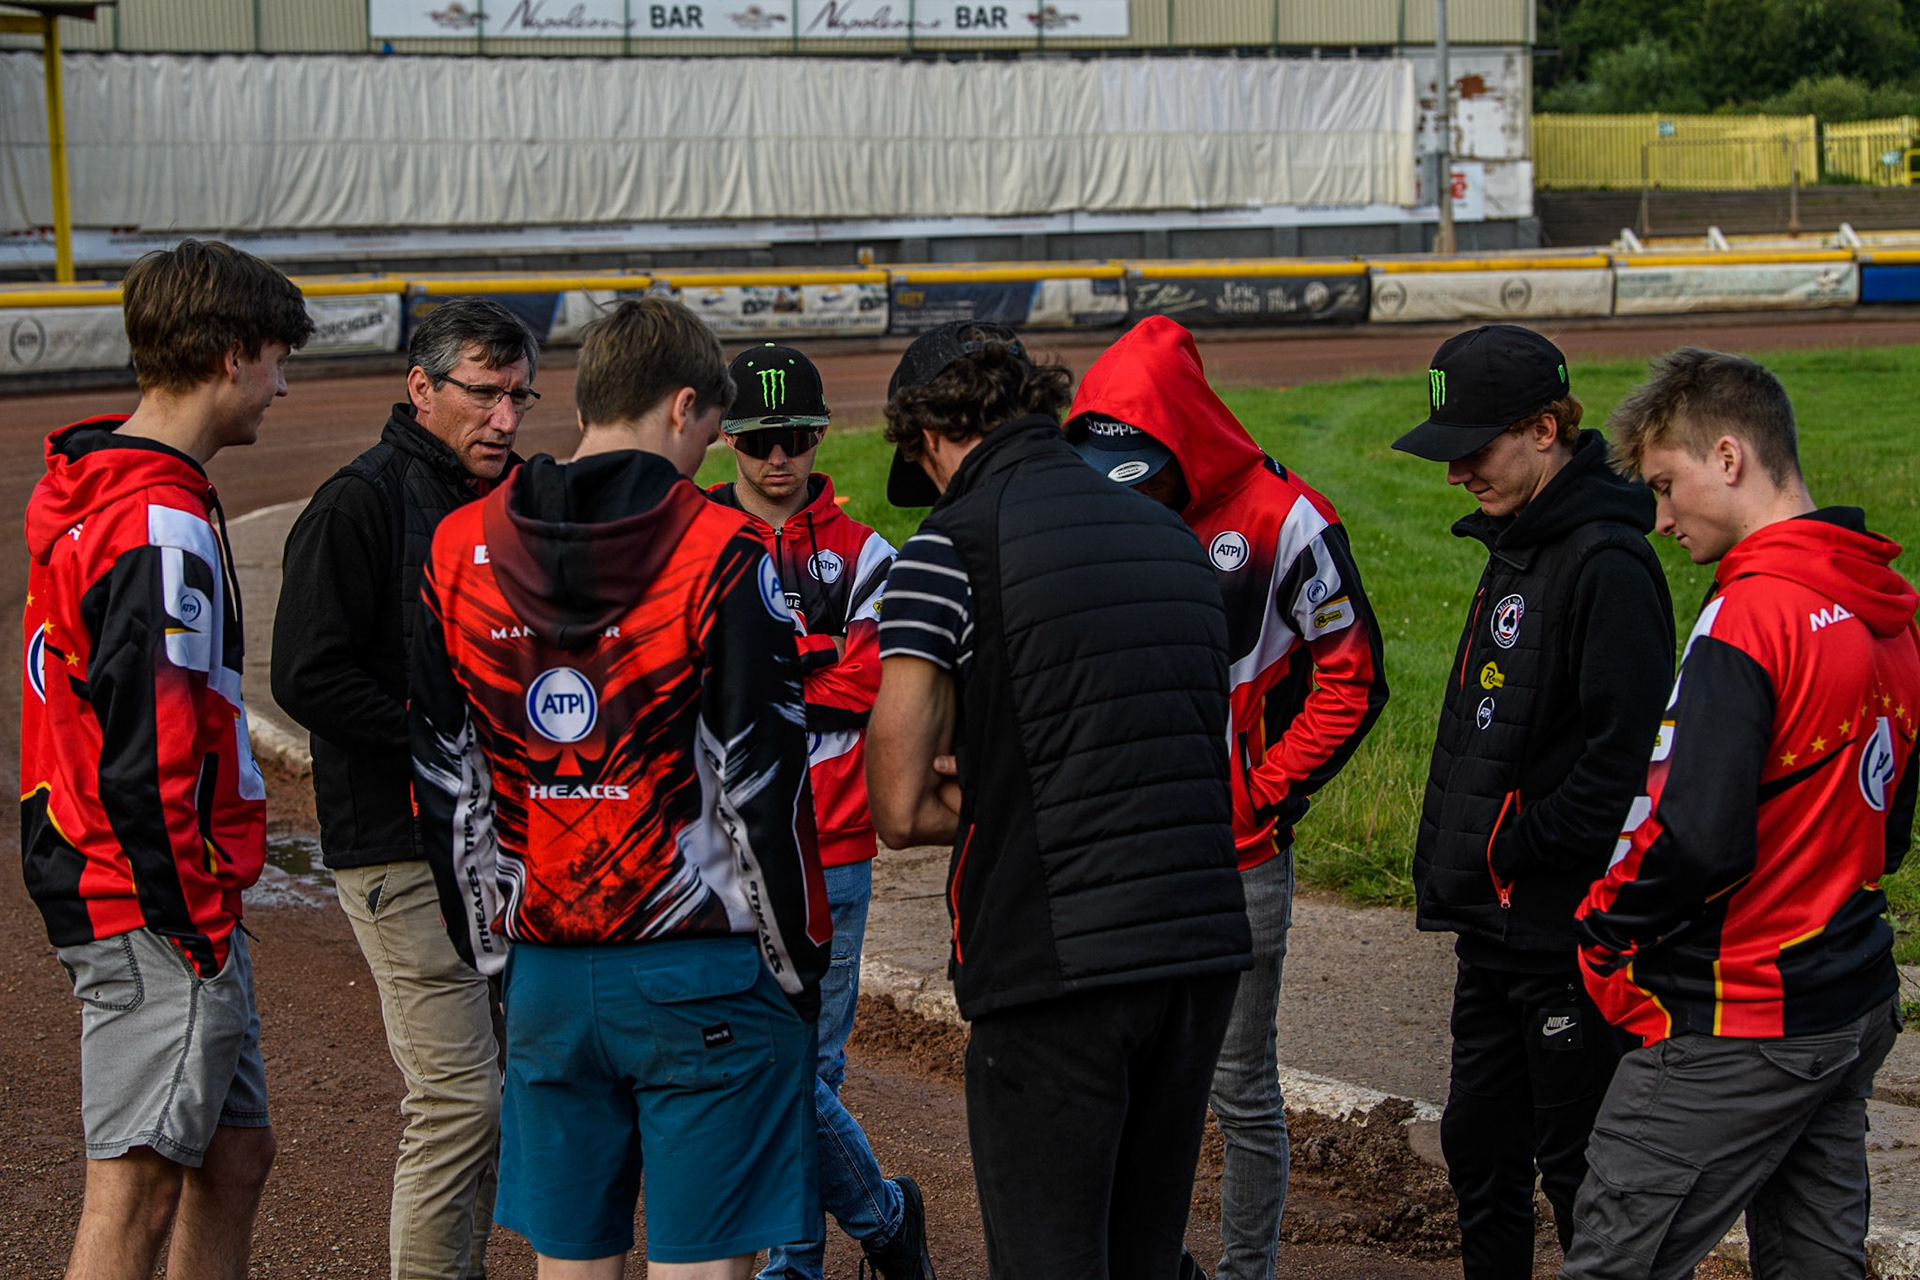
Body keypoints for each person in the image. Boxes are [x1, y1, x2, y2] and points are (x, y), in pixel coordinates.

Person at [410, 296, 831, 1279]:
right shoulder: (725, 555)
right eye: (716, 423)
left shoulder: (453, 548)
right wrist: (800, 966)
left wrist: (494, 952)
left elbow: (445, 778)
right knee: (707, 1265)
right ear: (684, 405)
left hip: (546, 968)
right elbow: (762, 789)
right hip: (701, 966)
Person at [865, 320, 1253, 1280]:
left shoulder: (948, 546)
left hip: (1056, 962)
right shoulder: (1172, 535)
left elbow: (900, 803)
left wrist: (1004, 791)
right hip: (1198, 949)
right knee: (1145, 1254)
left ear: (930, 436)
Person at [1558, 348, 1920, 1280]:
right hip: (1851, 993)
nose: (1662, 517)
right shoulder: (1889, 611)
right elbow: (1891, 827)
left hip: (1742, 1009)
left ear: (1730, 458)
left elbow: (1695, 833)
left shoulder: (1751, 614)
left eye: (1668, 486)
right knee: (1815, 1262)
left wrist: (1602, 928)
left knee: (1613, 1257)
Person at [1066, 316, 1389, 1280]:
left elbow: (1355, 679)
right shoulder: (1091, 503)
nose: (1132, 492)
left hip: (1235, 859)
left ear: (1189, 435)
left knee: (1240, 1088)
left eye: (1149, 468)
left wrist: (1258, 795)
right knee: (1113, 1082)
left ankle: (1249, 1274)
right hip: (1118, 856)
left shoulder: (1286, 518)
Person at [21, 238, 313, 1280]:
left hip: (143, 881)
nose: (282, 385)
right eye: (278, 358)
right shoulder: (159, 519)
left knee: (236, 1155)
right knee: (136, 1183)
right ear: (232, 353)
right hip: (151, 896)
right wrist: (189, 918)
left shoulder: (121, 486)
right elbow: (150, 743)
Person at [1390, 324, 1676, 1279]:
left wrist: (1517, 851)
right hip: (1495, 930)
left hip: (1564, 935)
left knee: (1580, 1169)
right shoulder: (1517, 543)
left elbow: (1624, 762)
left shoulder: (1607, 562)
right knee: (1478, 1147)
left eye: (1475, 449)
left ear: (1546, 429)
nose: (1456, 473)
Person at [272, 296, 540, 1280]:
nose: (506, 419)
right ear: (422, 387)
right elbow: (306, 673)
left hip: (502, 847)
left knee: (500, 1095)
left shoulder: (511, 501)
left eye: (519, 396)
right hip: (397, 842)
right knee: (461, 1097)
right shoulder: (359, 503)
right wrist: (443, 739)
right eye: (485, 394)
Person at [706, 343, 931, 1280]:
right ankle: (882, 1218)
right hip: (710, 846)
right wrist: (816, 656)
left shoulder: (868, 551)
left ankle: (793, 1265)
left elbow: (873, 680)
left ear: (819, 437)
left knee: (808, 1070)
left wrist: (769, 671)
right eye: (759, 440)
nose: (777, 460)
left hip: (831, 844)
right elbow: (685, 682)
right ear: (726, 440)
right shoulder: (692, 535)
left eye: (795, 437)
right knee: (749, 1068)